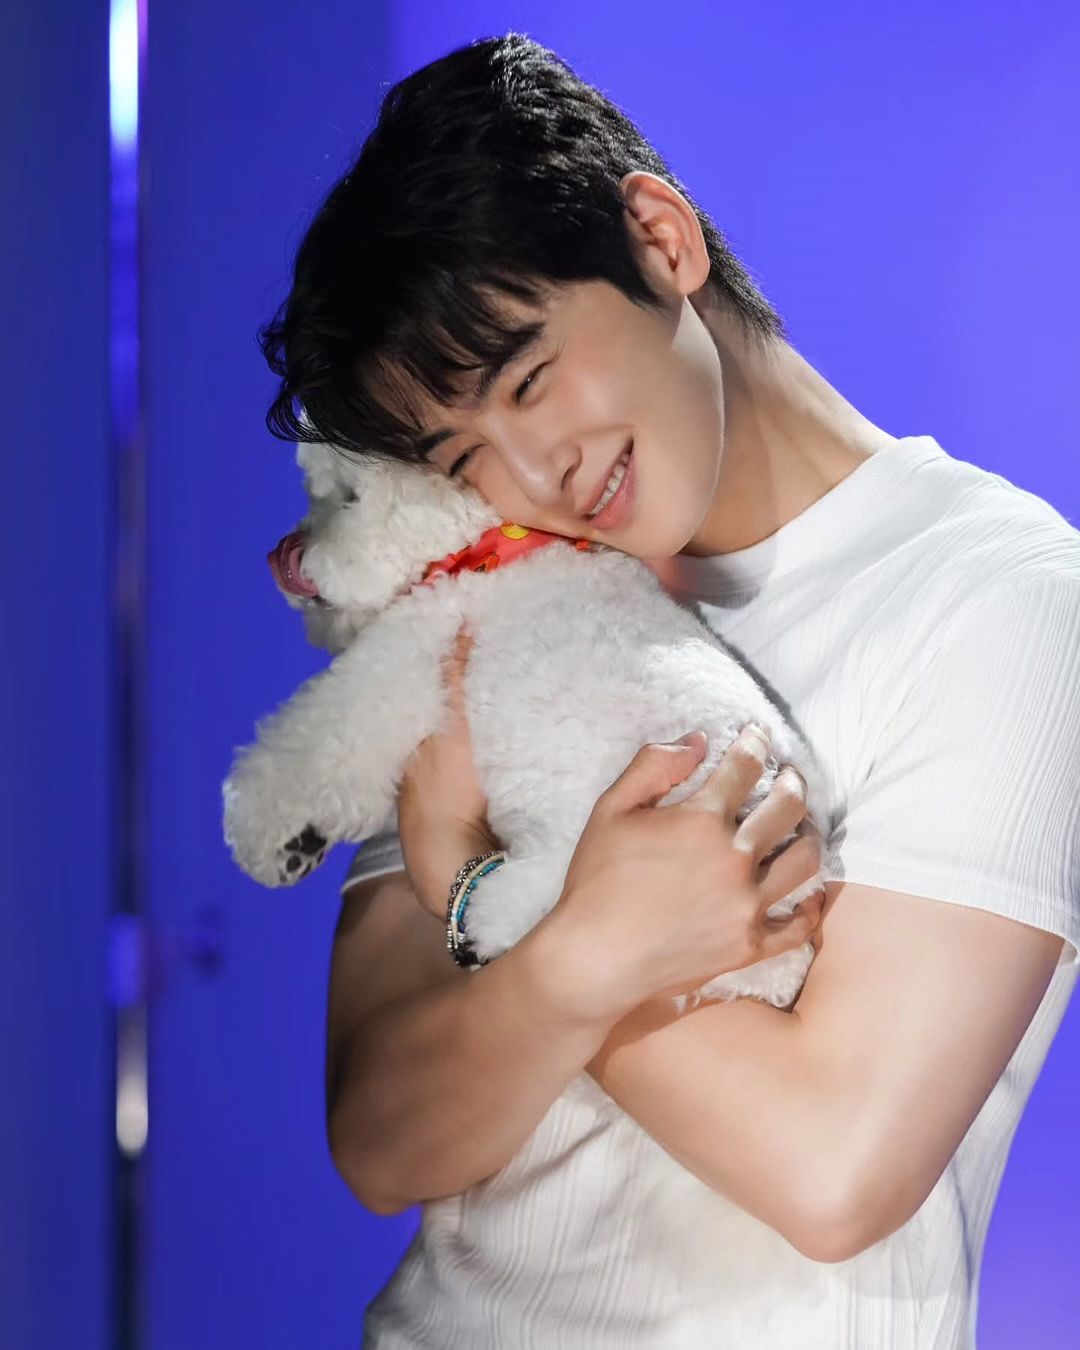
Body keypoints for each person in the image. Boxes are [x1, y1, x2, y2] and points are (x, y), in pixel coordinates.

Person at [259, 32, 1080, 1349]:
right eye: (466, 458)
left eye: (531, 379)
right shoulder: (500, 604)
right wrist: (575, 945)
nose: (535, 474)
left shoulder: (1000, 596)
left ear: (660, 238)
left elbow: (834, 1166)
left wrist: (480, 885)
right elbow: (381, 1135)